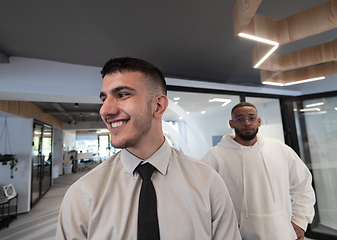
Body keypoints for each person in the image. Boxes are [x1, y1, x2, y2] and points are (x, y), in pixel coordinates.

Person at [56, 57, 241, 240]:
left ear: (158, 106)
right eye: (104, 98)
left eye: (122, 95)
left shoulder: (208, 183)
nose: (105, 110)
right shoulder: (83, 193)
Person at [201, 102, 315, 240]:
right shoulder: (215, 156)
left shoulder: (280, 149)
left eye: (252, 117)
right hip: (238, 235)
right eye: (240, 118)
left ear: (259, 121)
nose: (247, 122)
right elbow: (203, 197)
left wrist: (300, 221)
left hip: (282, 233)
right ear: (231, 124)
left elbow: (303, 186)